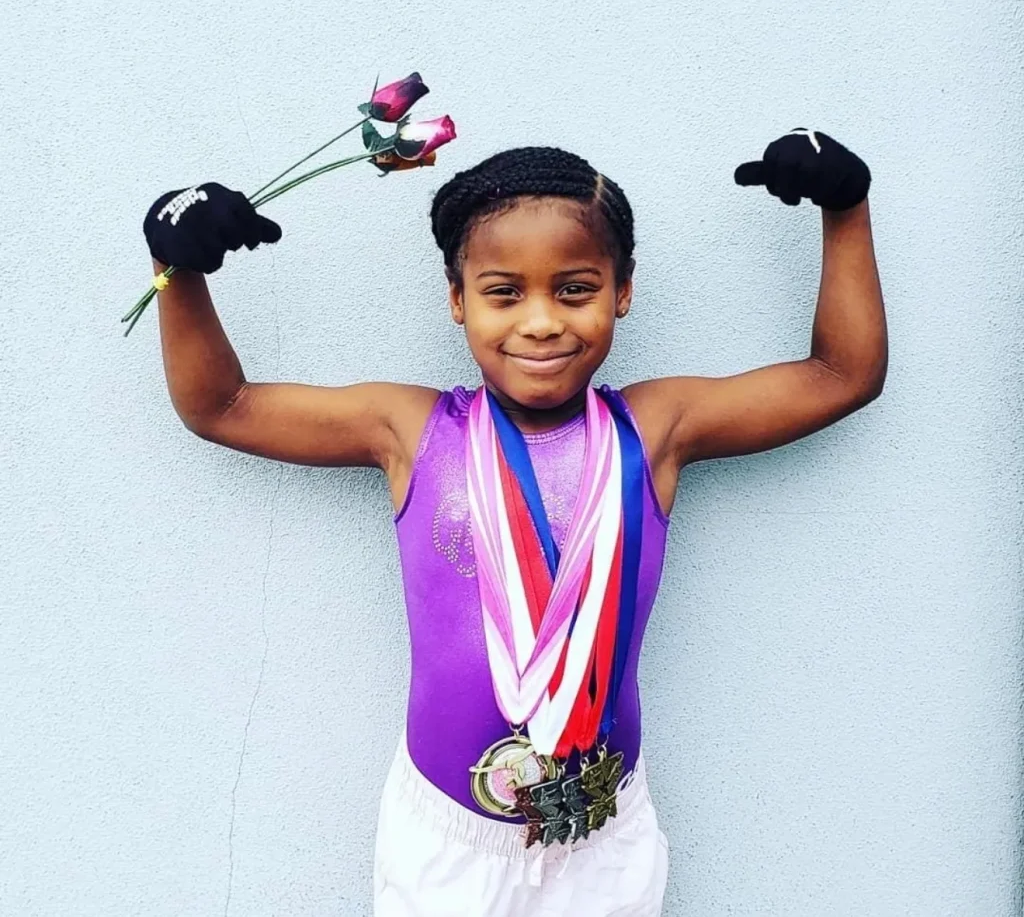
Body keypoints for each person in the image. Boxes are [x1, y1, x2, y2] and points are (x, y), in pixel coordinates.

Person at [143, 132, 886, 917]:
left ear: (623, 290)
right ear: (457, 299)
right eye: (503, 292)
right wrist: (175, 269)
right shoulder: (411, 430)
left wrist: (846, 209)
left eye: (575, 289)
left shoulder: (657, 428)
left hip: (601, 835)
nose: (540, 323)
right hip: (447, 843)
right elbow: (221, 406)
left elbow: (843, 375)